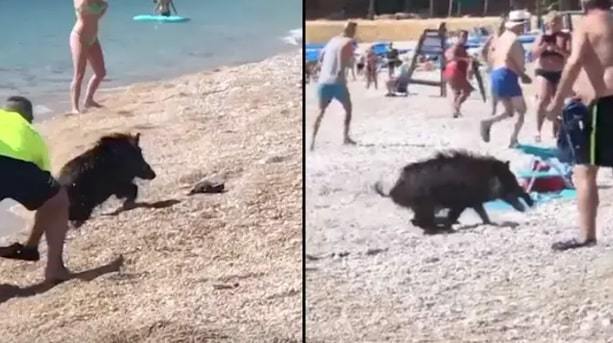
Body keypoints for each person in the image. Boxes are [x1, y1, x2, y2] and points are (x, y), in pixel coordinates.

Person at [545, 0, 613, 251]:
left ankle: (586, 235)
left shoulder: (586, 24)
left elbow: (573, 63)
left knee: (584, 170)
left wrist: (555, 103)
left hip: (598, 103)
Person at [0, 96, 72, 283]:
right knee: (57, 199)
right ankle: (54, 268)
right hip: (10, 163)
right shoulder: (31, 134)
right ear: (29, 118)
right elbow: (46, 195)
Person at [479, 11, 532, 148]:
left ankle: (488, 122)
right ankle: (513, 140)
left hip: (497, 74)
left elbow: (487, 53)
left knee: (509, 111)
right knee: (521, 111)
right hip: (508, 74)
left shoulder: (500, 38)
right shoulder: (513, 39)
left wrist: (490, 65)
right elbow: (508, 58)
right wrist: (522, 74)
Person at [309, 21, 358, 151]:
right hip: (338, 82)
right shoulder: (349, 42)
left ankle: (312, 141)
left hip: (323, 81)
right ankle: (345, 137)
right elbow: (348, 62)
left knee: (320, 111)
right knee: (348, 108)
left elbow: (321, 57)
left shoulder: (332, 40)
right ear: (352, 31)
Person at [532, 11, 571, 142]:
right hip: (544, 71)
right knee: (543, 99)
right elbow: (533, 55)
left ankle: (557, 131)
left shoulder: (565, 37)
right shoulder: (542, 37)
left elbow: (570, 55)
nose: (554, 25)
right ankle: (538, 130)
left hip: (559, 72)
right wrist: (544, 47)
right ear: (547, 23)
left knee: (557, 103)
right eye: (552, 22)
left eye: (556, 22)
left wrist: (557, 49)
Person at [70, 0, 108, 114]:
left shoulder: (99, 2)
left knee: (100, 72)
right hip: (79, 37)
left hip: (93, 39)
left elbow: (104, 8)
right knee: (79, 74)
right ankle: (74, 108)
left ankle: (88, 100)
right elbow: (80, 7)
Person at [443, 30, 474, 118]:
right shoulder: (456, 46)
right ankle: (456, 107)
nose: (464, 39)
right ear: (458, 37)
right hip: (454, 70)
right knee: (466, 91)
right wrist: (465, 60)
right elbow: (451, 56)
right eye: (463, 37)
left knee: (457, 92)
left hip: (452, 71)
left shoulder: (461, 47)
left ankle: (455, 112)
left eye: (466, 37)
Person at [481, 19, 507, 116]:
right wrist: (487, 61)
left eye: (502, 26)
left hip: (505, 65)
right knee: (494, 88)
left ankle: (505, 107)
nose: (501, 28)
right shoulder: (492, 38)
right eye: (500, 26)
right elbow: (483, 50)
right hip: (494, 66)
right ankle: (494, 108)